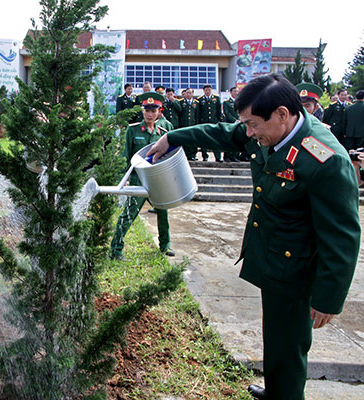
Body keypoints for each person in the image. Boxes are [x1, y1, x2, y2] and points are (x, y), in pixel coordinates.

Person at [147, 73, 360, 400]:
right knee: (276, 336)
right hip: (273, 255)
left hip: (296, 266)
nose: (247, 132)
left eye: (252, 124)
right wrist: (175, 137)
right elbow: (223, 133)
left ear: (282, 115)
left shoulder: (325, 160)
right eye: (245, 123)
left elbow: (343, 235)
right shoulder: (266, 130)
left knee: (289, 344)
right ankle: (277, 390)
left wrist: (329, 298)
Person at [110, 92, 175, 260]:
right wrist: (122, 180)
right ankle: (116, 250)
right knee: (128, 215)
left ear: (159, 111)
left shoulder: (164, 132)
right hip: (139, 180)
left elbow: (171, 156)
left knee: (163, 213)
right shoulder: (133, 130)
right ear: (143, 111)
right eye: (147, 110)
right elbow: (125, 156)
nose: (150, 114)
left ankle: (165, 245)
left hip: (158, 181)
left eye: (153, 111)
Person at [197, 84, 223, 162]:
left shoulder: (216, 98)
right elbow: (199, 112)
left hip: (214, 122)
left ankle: (218, 157)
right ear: (204, 90)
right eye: (206, 90)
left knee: (215, 140)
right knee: (204, 140)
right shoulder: (200, 99)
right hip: (204, 122)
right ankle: (205, 156)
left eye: (209, 89)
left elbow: (219, 111)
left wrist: (219, 121)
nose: (208, 91)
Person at [179, 88, 199, 160]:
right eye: (187, 93)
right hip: (183, 124)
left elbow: (197, 115)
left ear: (193, 94)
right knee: (184, 141)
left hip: (192, 124)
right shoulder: (181, 102)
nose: (188, 94)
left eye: (190, 93)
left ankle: (193, 155)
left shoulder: (196, 103)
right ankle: (185, 155)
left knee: (193, 141)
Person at [223, 87, 241, 161]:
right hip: (230, 123)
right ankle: (227, 156)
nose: (236, 93)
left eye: (237, 91)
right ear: (231, 92)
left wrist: (240, 119)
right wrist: (235, 120)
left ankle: (235, 156)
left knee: (237, 140)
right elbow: (227, 113)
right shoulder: (226, 102)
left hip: (239, 123)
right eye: (234, 91)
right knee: (229, 140)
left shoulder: (240, 102)